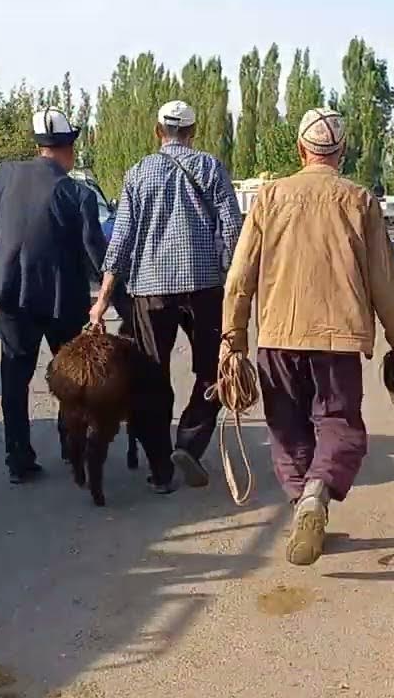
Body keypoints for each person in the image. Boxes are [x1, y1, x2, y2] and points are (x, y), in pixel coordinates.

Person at [222, 107, 394, 566]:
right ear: (342, 152)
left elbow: (240, 275)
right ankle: (316, 494)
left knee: (287, 425)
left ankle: (302, 502)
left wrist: (232, 336)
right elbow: (385, 280)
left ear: (300, 150)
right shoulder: (360, 200)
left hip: (279, 334)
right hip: (340, 336)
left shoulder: (269, 197)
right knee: (336, 421)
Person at [90, 100, 243, 494]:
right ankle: (189, 444)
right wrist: (235, 279)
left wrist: (104, 296)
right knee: (213, 371)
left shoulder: (138, 172)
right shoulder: (210, 167)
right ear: (193, 132)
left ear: (158, 131)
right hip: (204, 286)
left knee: (150, 377)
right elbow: (231, 228)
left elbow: (121, 239)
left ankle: (160, 469)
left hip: (149, 290)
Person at [0, 107, 107, 484]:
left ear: (40, 147)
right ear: (68, 148)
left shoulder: (6, 175)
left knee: (14, 377)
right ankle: (72, 450)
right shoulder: (76, 193)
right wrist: (111, 289)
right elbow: (93, 251)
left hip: (10, 293)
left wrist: (3, 264)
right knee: (70, 377)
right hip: (61, 299)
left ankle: (17, 459)